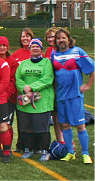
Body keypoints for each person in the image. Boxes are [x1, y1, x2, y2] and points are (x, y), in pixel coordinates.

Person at [50, 28, 94, 163]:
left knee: (80, 126)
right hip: (61, 96)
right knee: (64, 125)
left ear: (69, 39)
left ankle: (85, 154)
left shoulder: (77, 52)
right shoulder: (54, 54)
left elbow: (92, 68)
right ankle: (70, 152)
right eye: (58, 38)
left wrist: (87, 85)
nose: (61, 40)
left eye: (63, 38)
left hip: (75, 96)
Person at [14, 39, 55, 161]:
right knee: (26, 127)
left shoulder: (47, 63)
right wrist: (24, 88)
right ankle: (28, 149)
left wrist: (32, 87)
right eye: (33, 47)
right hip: (26, 101)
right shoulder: (24, 63)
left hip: (42, 101)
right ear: (30, 49)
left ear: (41, 49)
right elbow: (18, 78)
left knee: (41, 127)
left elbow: (48, 79)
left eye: (37, 46)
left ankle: (43, 150)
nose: (35, 48)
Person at [7, 29, 35, 151]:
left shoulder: (35, 52)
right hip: (18, 93)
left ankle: (33, 145)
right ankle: (21, 144)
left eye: (27, 36)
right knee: (21, 120)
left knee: (32, 119)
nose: (25, 38)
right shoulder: (16, 54)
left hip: (33, 92)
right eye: (23, 36)